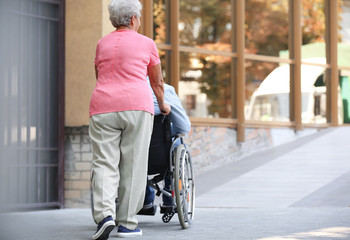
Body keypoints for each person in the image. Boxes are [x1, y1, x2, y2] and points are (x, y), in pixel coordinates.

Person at [89, 0, 170, 239]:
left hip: (102, 106)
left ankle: (105, 216)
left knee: (104, 163)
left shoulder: (102, 43)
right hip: (136, 106)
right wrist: (163, 104)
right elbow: (157, 82)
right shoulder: (147, 43)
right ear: (134, 19)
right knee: (134, 165)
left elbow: (99, 75)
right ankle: (127, 224)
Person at [141, 79, 191, 211]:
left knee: (137, 148)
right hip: (159, 155)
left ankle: (145, 199)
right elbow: (183, 128)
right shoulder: (165, 90)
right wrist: (168, 132)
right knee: (176, 144)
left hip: (133, 155)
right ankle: (170, 199)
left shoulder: (121, 90)